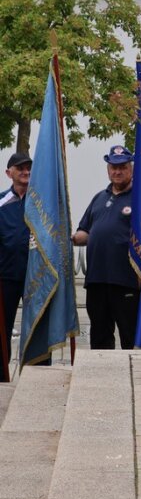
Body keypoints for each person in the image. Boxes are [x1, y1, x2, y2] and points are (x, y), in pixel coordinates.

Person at [72, 146, 140, 349]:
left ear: (131, 169)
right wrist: (69, 238)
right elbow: (85, 233)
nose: (117, 171)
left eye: (122, 167)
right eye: (113, 167)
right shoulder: (99, 198)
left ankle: (135, 378)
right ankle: (101, 379)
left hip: (126, 281)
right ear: (108, 169)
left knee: (130, 335)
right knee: (100, 336)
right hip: (96, 280)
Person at [0, 152, 32, 382]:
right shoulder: (1, 202)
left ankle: (37, 374)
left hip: (35, 276)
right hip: (6, 276)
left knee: (37, 328)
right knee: (2, 329)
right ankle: (2, 376)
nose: (25, 172)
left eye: (29, 168)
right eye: (20, 168)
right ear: (8, 172)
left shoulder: (41, 202)